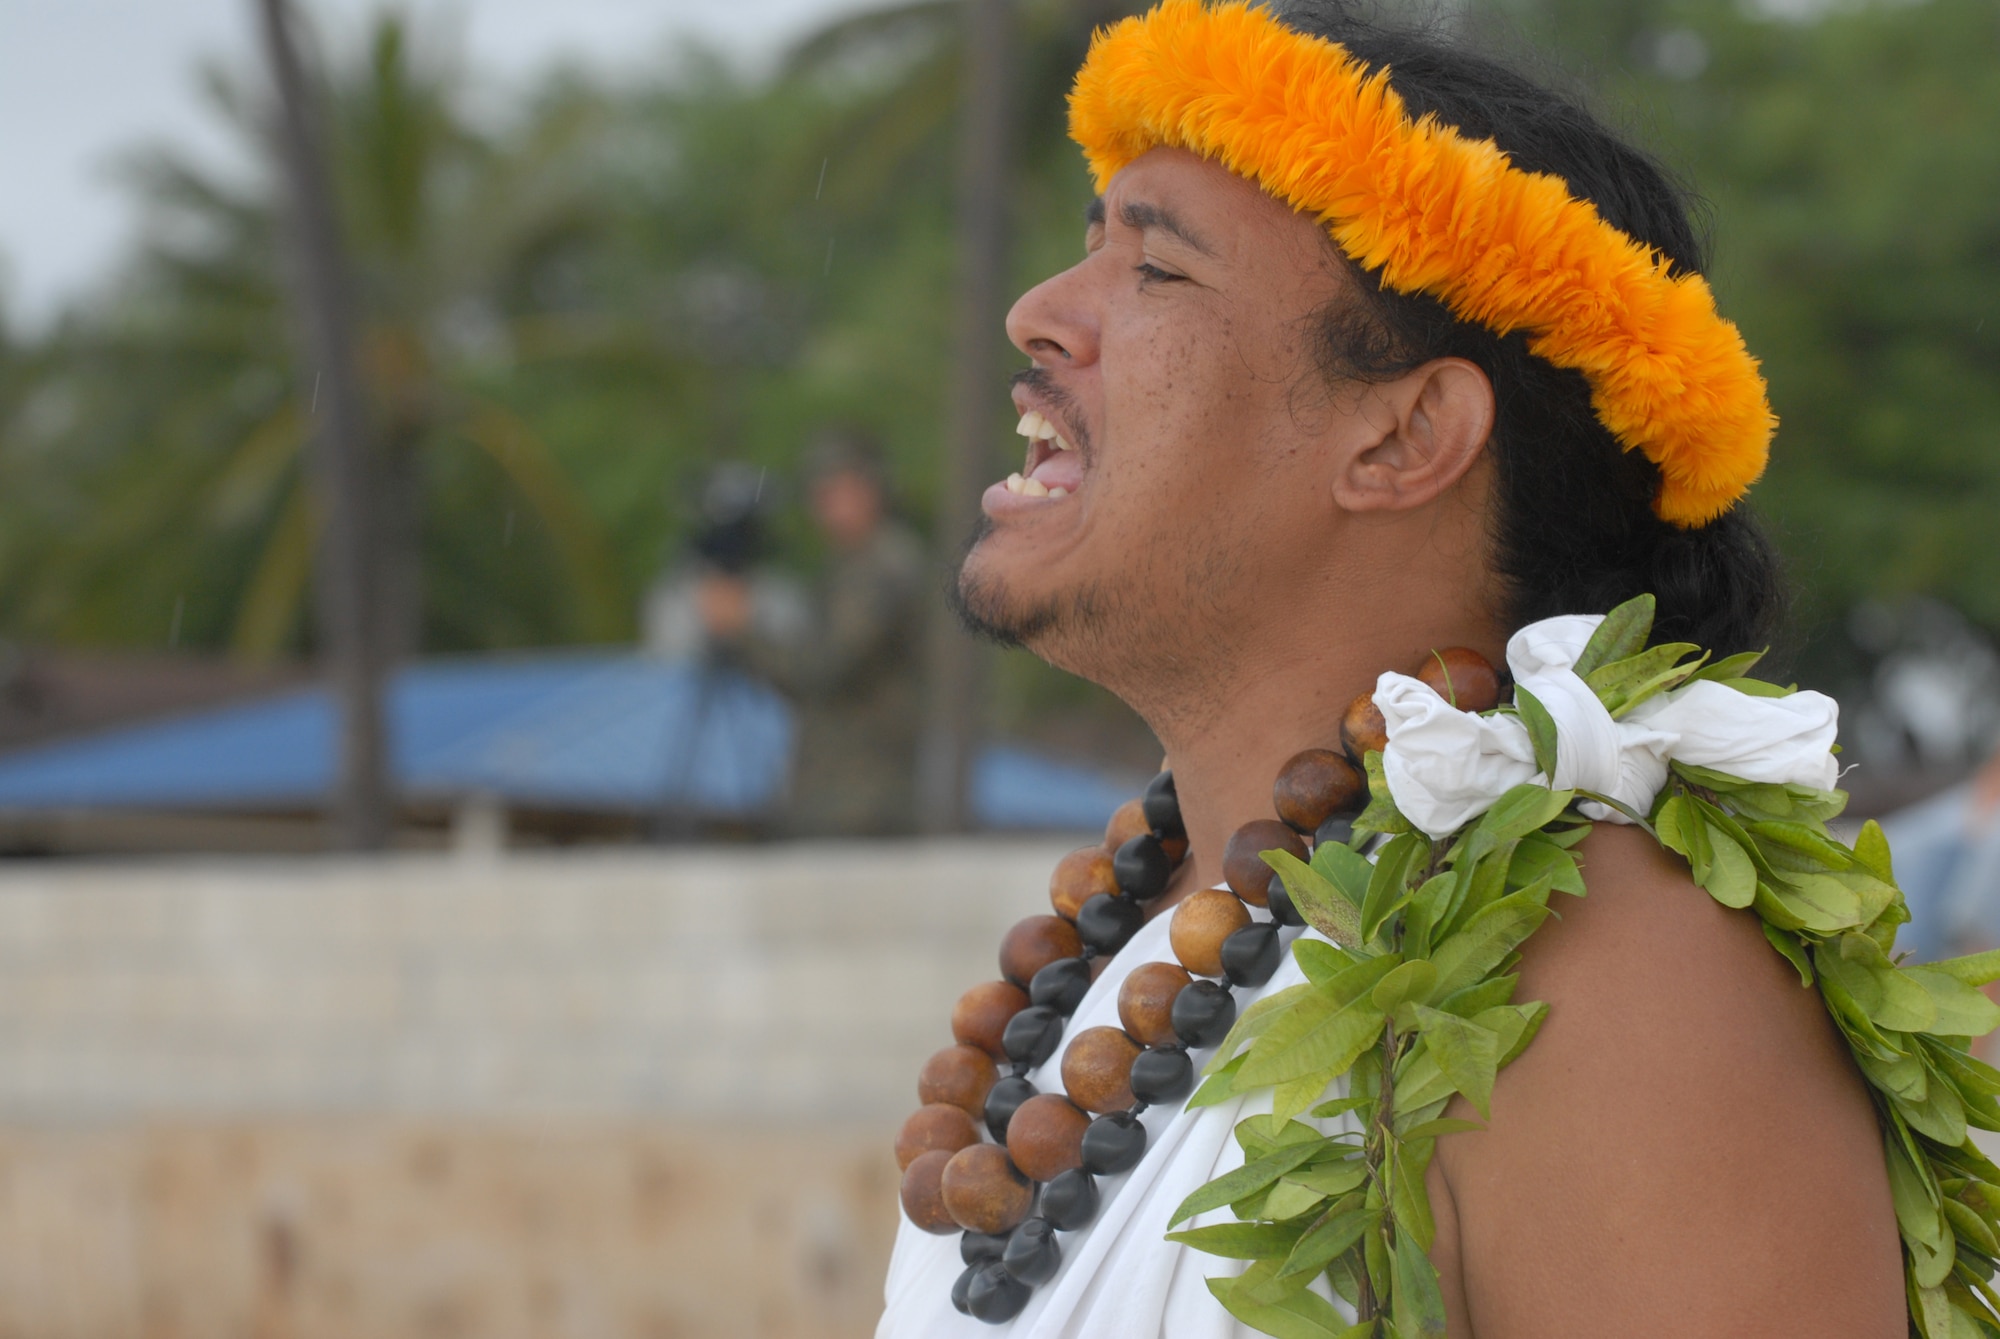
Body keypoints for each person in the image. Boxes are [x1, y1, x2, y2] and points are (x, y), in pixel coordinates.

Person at [878, 2, 1908, 1335]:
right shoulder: (1133, 956)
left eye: (1157, 271)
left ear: (1405, 434)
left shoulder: (1598, 973)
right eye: (1087, 247)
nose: (1037, 314)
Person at [699, 433, 927, 837]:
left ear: (871, 489)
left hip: (862, 803)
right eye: (820, 494)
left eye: (839, 490)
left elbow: (824, 668)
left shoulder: (881, 566)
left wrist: (743, 630)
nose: (827, 507)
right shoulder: (851, 565)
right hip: (836, 797)